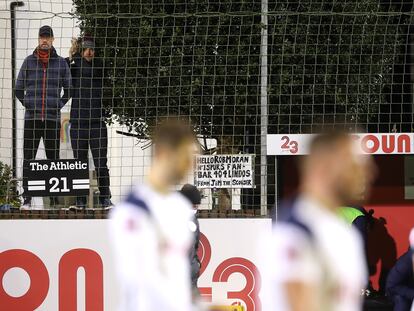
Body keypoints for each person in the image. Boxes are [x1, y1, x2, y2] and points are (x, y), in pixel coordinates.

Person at [261, 131, 376, 311]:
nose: (370, 174)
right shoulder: (296, 228)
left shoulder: (342, 230)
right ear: (326, 167)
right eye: (356, 166)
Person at [110, 119, 196, 311]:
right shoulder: (133, 210)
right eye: (186, 158)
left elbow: (175, 279)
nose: (190, 166)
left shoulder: (180, 208)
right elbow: (140, 279)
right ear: (164, 153)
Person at [15, 25, 71, 209]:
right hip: (31, 119)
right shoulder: (29, 61)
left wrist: (57, 105)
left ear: (53, 39)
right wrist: (28, 104)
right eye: (42, 37)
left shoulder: (61, 63)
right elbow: (18, 89)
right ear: (39, 39)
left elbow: (69, 89)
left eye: (48, 37)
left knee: (53, 159)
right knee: (28, 159)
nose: (45, 40)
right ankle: (27, 198)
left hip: (52, 120)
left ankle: (55, 199)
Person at [67, 36, 112, 208]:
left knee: (101, 164)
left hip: (97, 124)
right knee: (79, 164)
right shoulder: (72, 66)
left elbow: (95, 71)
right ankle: (80, 200)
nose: (89, 52)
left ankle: (105, 198)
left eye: (92, 49)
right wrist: (72, 57)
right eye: (85, 48)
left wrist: (75, 59)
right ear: (81, 49)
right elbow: (59, 66)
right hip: (78, 124)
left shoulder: (99, 66)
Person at [180, 184, 202, 296]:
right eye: (193, 206)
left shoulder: (192, 219)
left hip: (190, 273)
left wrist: (196, 263)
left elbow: (195, 244)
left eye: (196, 206)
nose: (195, 209)